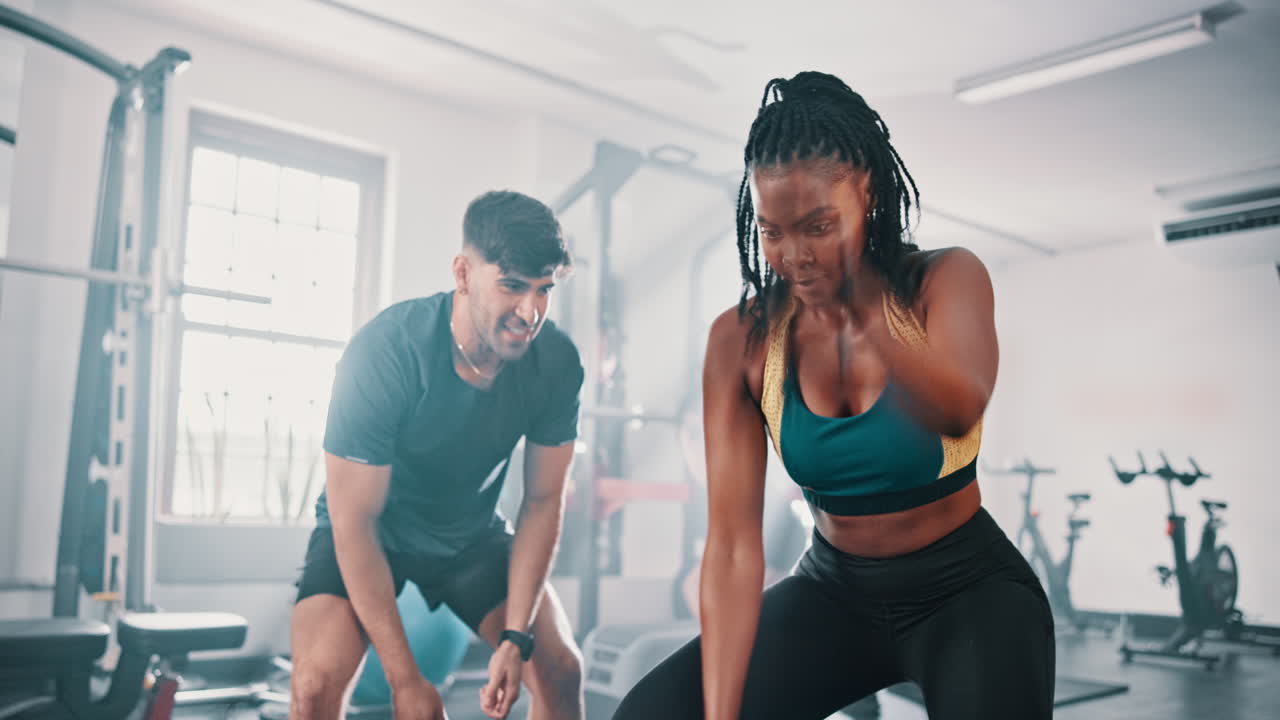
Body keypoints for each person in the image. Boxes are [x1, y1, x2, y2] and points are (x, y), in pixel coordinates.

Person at [613, 71, 1054, 720]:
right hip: (833, 592)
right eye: (772, 231)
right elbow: (734, 546)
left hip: (968, 591)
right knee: (651, 713)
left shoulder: (944, 280)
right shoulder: (742, 339)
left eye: (818, 225)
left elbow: (959, 405)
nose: (793, 256)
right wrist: (720, 712)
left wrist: (863, 308)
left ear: (868, 196)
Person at [289, 190, 586, 720]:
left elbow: (543, 501)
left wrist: (516, 637)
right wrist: (406, 681)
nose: (531, 311)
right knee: (314, 683)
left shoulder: (555, 363)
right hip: (372, 531)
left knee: (561, 669)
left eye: (544, 290)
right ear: (464, 273)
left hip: (468, 537)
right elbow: (355, 523)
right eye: (513, 286)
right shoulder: (385, 353)